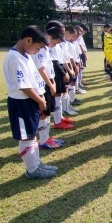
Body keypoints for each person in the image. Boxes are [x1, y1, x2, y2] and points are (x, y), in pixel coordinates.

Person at [4, 25, 58, 179]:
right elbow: (25, 87)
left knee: (32, 135)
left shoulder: (24, 55)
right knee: (26, 136)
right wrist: (40, 100)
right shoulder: (14, 58)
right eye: (38, 47)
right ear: (28, 40)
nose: (39, 51)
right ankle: (32, 170)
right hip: (22, 104)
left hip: (30, 102)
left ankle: (36, 164)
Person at [32, 27, 66, 149]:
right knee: (44, 113)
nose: (55, 44)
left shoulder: (46, 49)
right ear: (50, 37)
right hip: (43, 85)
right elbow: (41, 69)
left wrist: (53, 81)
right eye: (56, 42)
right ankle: (43, 140)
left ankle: (46, 137)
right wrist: (50, 84)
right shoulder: (41, 50)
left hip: (49, 83)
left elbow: (48, 68)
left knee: (47, 112)